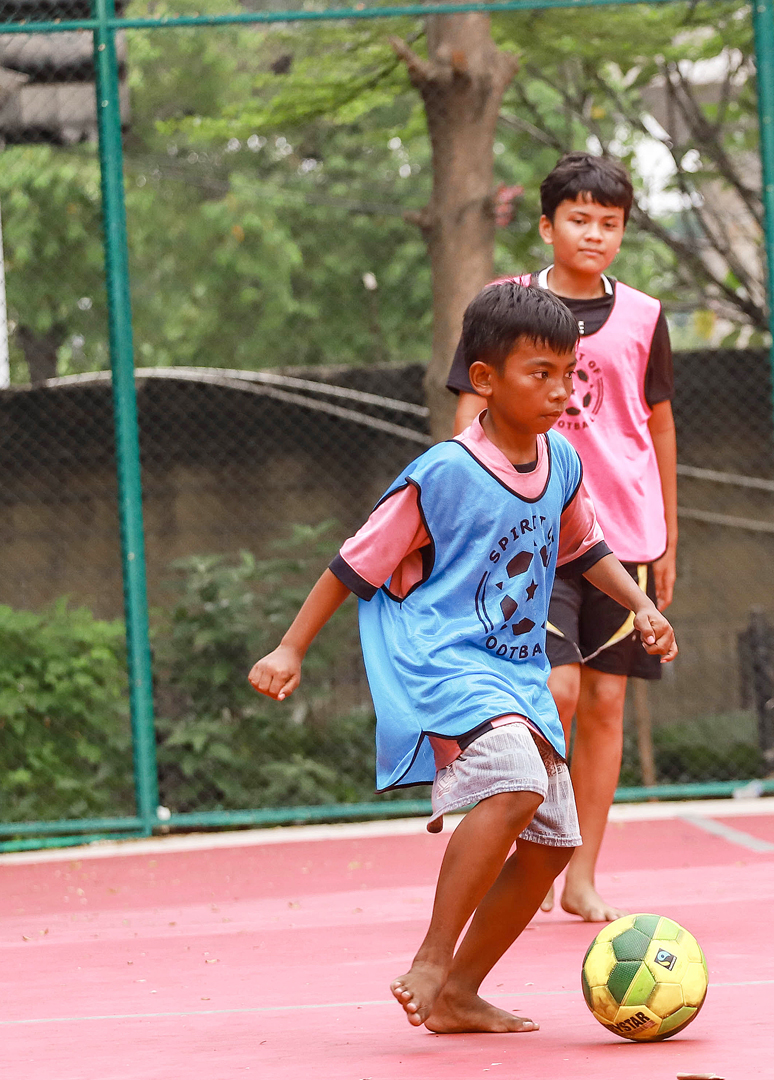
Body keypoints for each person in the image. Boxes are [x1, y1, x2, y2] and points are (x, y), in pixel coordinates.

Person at [248, 282, 677, 1035]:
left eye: (567, 373)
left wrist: (640, 604)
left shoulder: (562, 461)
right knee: (513, 786)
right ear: (484, 380)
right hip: (444, 662)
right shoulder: (445, 471)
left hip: (514, 670)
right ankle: (431, 960)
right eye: (537, 373)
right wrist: (291, 646)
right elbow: (353, 564)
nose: (559, 390)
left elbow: (584, 548)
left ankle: (457, 993)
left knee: (552, 844)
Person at [449, 153, 678, 923]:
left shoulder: (645, 316)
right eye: (579, 219)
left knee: (607, 702)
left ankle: (581, 874)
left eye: (610, 223)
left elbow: (659, 427)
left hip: (626, 535)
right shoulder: (503, 302)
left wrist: (668, 534)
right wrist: (462, 520)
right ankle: (530, 852)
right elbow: (466, 416)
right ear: (547, 226)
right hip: (529, 535)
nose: (594, 234)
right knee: (557, 689)